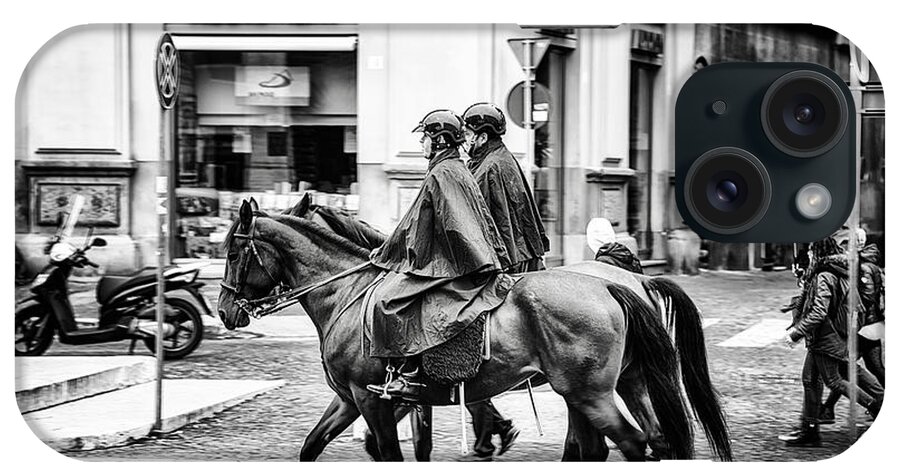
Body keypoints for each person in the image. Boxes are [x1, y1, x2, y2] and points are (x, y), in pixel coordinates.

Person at [365, 110, 512, 402]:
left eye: (426, 138)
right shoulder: (452, 167)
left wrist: (387, 254)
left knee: (386, 302)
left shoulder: (442, 173)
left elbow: (416, 226)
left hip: (453, 265)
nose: (422, 143)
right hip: (457, 259)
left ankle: (406, 375)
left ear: (440, 140)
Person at [458, 102, 550, 461]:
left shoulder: (488, 167)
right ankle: (492, 430)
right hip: (513, 259)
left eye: (467, 133)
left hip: (501, 267)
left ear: (481, 135)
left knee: (460, 341)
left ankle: (487, 434)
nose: (464, 140)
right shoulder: (498, 159)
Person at [778, 233, 884, 447]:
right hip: (833, 334)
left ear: (818, 251)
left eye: (810, 250)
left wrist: (795, 333)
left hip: (827, 336)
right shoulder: (835, 270)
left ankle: (877, 407)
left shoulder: (825, 274)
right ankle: (810, 430)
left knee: (835, 380)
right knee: (811, 378)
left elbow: (819, 310)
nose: (808, 253)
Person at [817, 228, 885, 424]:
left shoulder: (863, 267)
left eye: (851, 241)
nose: (847, 245)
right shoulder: (860, 263)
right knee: (856, 368)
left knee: (848, 368)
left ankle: (829, 409)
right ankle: (827, 409)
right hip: (867, 326)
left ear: (859, 243)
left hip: (865, 328)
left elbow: (865, 299)